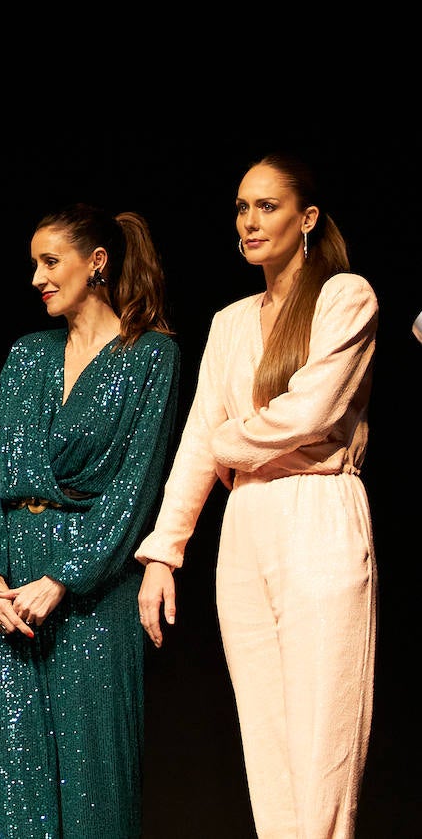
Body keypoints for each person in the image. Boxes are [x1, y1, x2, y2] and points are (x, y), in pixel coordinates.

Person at [137, 153, 378, 838]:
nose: (249, 220)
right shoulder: (231, 320)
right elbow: (196, 442)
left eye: (266, 207)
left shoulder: (346, 297)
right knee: (267, 748)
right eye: (242, 207)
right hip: (246, 524)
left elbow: (311, 415)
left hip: (319, 509)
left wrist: (229, 440)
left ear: (306, 219)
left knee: (322, 746)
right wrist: (164, 554)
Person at [0, 204, 180, 838]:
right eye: (34, 264)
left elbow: (135, 490)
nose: (37, 277)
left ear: (97, 262)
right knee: (14, 774)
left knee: (95, 774)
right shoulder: (28, 354)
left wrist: (63, 577)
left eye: (50, 262)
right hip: (12, 591)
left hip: (92, 589)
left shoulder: (151, 358)